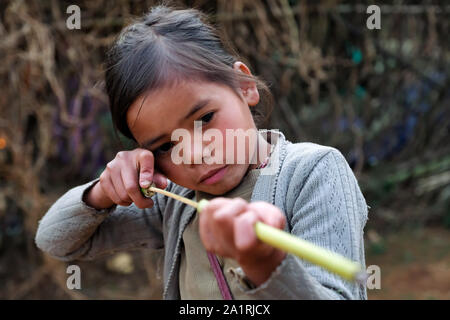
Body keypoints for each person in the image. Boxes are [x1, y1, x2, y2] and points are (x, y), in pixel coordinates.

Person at [35, 5, 369, 300]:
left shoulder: (311, 174)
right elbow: (55, 240)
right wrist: (103, 192)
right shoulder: (173, 201)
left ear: (244, 86)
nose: (193, 153)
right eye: (165, 146)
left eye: (205, 118)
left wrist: (265, 264)